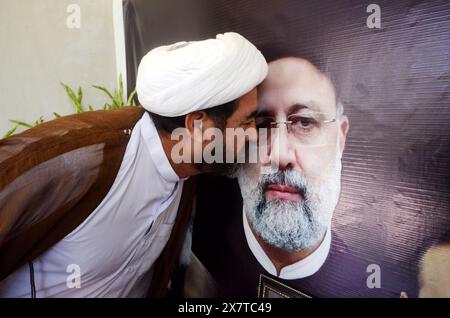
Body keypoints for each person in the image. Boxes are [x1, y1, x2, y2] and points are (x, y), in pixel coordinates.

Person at [0, 32, 267, 297]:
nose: (254, 134)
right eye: (245, 121)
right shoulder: (81, 160)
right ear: (196, 124)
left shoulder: (185, 167)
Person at [192, 56, 403, 297]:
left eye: (305, 123)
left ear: (341, 138)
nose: (280, 155)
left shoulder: (369, 289)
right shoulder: (198, 213)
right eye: (261, 125)